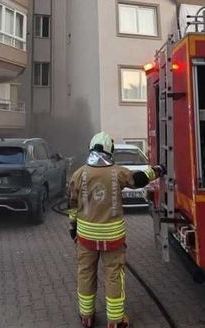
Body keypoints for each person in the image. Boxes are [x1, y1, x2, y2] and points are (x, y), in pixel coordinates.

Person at [67, 132, 164, 328]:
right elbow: (139, 179)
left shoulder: (79, 174)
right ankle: (115, 320)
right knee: (113, 275)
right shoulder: (117, 172)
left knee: (85, 273)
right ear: (109, 150)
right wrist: (158, 170)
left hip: (86, 237)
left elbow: (72, 204)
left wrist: (73, 226)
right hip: (112, 238)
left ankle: (86, 317)